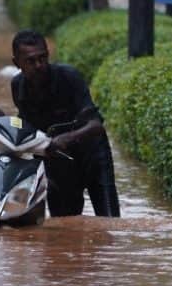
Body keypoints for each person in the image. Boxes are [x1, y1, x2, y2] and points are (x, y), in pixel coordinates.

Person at [10, 29, 120, 217]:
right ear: (17, 63)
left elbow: (96, 126)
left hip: (92, 157)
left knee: (109, 222)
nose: (39, 65)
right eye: (30, 61)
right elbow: (24, 124)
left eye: (42, 58)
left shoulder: (69, 77)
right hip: (57, 163)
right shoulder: (17, 86)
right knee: (62, 228)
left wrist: (66, 138)